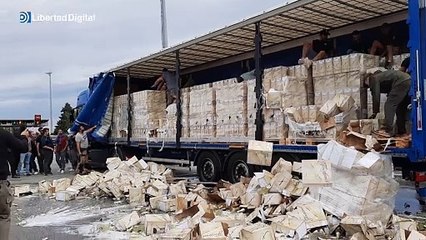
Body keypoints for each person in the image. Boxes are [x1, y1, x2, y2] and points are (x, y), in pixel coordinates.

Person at [0, 128, 29, 239]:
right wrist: (23, 137)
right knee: (3, 217)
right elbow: (23, 147)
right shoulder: (3, 134)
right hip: (0, 183)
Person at [366, 69, 411, 137]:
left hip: (401, 82)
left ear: (366, 80)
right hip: (407, 80)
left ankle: (388, 130)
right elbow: (389, 88)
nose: (369, 87)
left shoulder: (373, 78)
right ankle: (402, 132)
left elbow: (376, 95)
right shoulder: (381, 76)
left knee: (389, 105)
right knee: (399, 108)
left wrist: (375, 112)